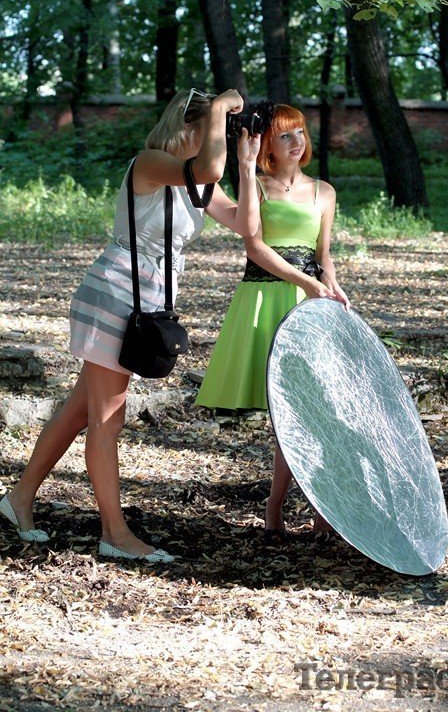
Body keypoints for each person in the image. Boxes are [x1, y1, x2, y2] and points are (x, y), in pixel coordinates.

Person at [0, 87, 264, 562]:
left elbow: (246, 226)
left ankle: (18, 498)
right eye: (214, 129)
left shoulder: (198, 180)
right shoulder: (151, 163)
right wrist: (222, 106)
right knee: (108, 418)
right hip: (116, 295)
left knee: (80, 411)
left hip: (145, 302)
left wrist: (246, 167)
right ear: (189, 128)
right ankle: (114, 534)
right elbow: (207, 168)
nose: (219, 140)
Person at [195, 103, 350, 539]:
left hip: (310, 302)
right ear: (268, 145)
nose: (296, 141)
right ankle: (276, 506)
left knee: (316, 410)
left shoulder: (324, 191)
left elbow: (323, 254)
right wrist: (307, 282)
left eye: (299, 132)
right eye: (284, 135)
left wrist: (331, 285)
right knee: (287, 414)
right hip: (265, 299)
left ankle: (320, 507)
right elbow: (254, 246)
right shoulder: (258, 186)